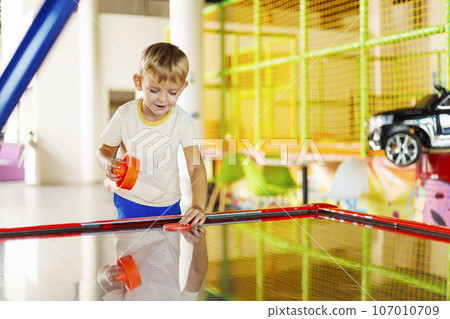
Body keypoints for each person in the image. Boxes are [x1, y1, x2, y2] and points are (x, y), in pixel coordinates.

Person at [96, 42, 207, 226]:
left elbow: (196, 165)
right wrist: (107, 163)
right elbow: (103, 151)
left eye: (172, 92)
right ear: (139, 82)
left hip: (169, 204)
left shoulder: (182, 120)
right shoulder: (125, 114)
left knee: (166, 254)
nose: (163, 99)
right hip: (130, 200)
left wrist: (198, 205)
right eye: (154, 90)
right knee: (132, 252)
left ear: (183, 87)